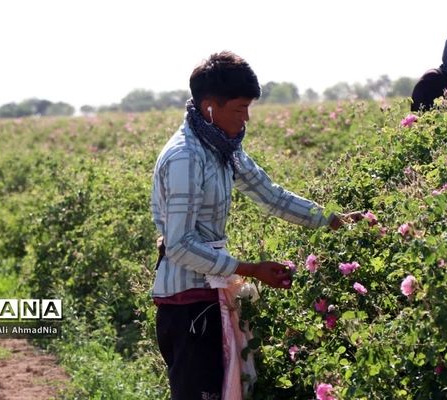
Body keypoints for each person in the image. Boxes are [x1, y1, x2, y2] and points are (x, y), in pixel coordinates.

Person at [150, 50, 362, 400]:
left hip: (208, 295)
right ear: (210, 108)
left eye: (249, 108)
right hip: (186, 304)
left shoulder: (222, 147)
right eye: (239, 109)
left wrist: (331, 220)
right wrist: (248, 269)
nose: (246, 118)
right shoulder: (186, 157)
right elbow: (179, 245)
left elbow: (270, 195)